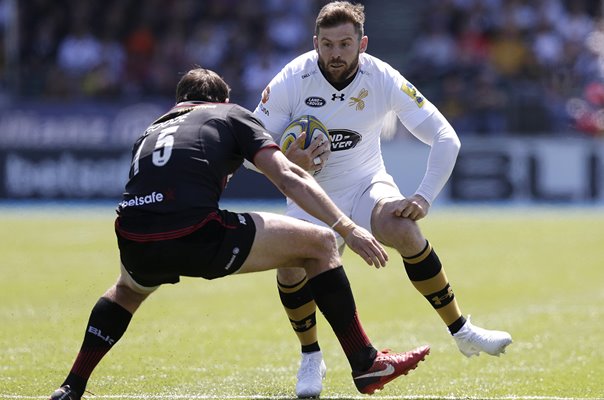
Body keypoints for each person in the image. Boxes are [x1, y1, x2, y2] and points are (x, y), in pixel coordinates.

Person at [47, 68, 431, 400]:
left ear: (180, 102)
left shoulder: (151, 129)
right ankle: (365, 362)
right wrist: (348, 227)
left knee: (126, 292)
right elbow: (288, 176)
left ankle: (72, 385)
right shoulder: (229, 113)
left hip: (134, 236)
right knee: (322, 244)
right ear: (223, 99)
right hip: (196, 231)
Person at [251, 2, 513, 398]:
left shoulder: (383, 77)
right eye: (327, 44)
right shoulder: (293, 78)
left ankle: (462, 330)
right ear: (315, 43)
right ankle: (310, 357)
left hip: (365, 184)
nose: (335, 53)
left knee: (403, 227)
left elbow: (446, 138)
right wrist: (288, 161)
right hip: (311, 194)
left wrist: (423, 197)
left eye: (344, 43)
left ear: (363, 44)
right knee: (291, 269)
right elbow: (250, 151)